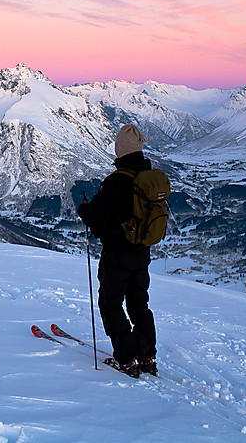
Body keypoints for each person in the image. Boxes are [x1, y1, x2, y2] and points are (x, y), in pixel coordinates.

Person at [78, 124, 158, 377]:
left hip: (117, 254)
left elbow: (94, 215)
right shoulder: (149, 178)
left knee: (110, 303)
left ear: (120, 150)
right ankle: (148, 357)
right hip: (142, 253)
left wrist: (83, 209)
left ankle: (127, 358)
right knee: (139, 304)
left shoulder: (115, 182)